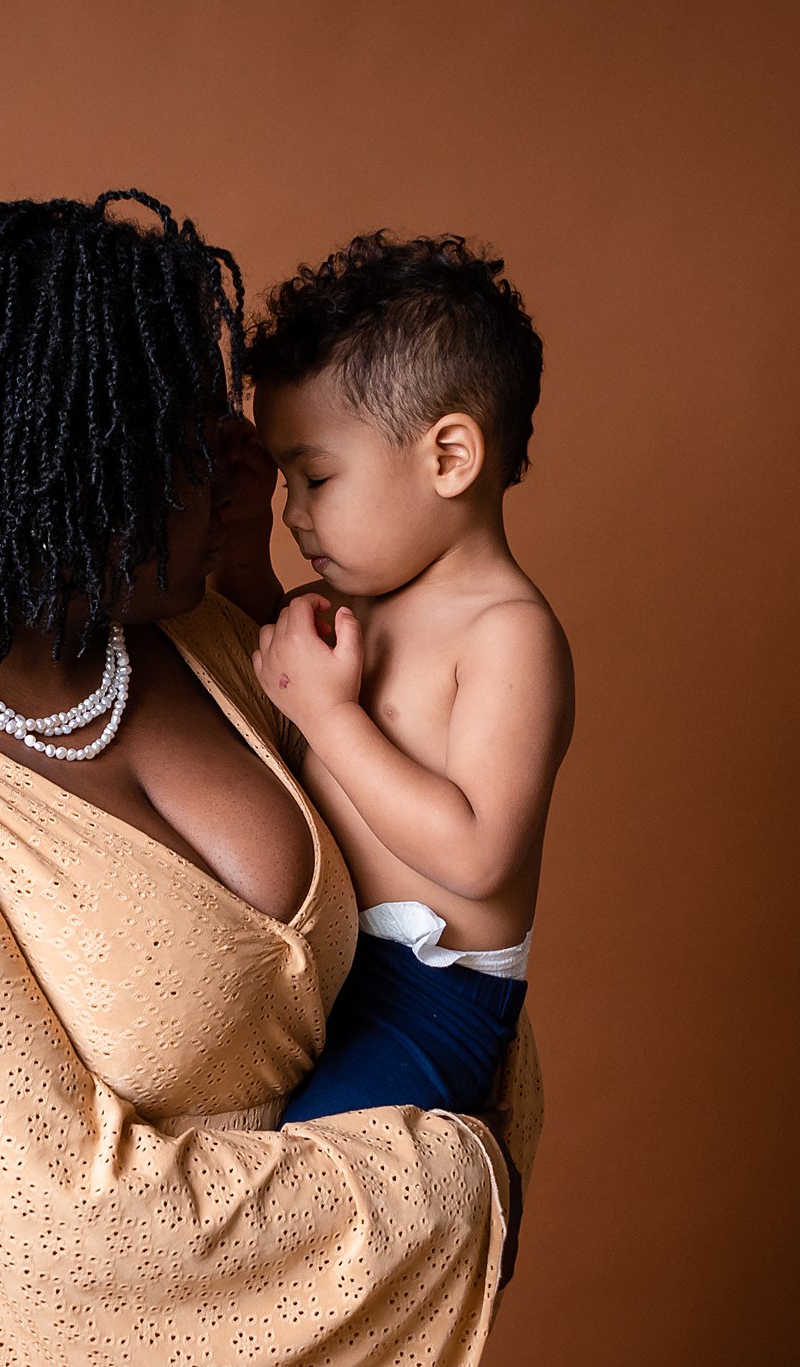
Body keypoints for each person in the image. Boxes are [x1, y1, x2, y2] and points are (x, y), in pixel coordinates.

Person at [0, 191, 543, 1366]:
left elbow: (430, 902)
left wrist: (246, 568)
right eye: (183, 441)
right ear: (65, 470)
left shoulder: (208, 634)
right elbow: (64, 1237)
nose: (234, 460)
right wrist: (456, 1175)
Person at [209, 230, 573, 1130]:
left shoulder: (507, 636)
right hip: (322, 964)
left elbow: (480, 853)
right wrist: (245, 561)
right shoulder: (351, 599)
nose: (296, 510)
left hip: (429, 999)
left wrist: (331, 716)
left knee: (310, 1181)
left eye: (317, 476)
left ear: (450, 457)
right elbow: (276, 682)